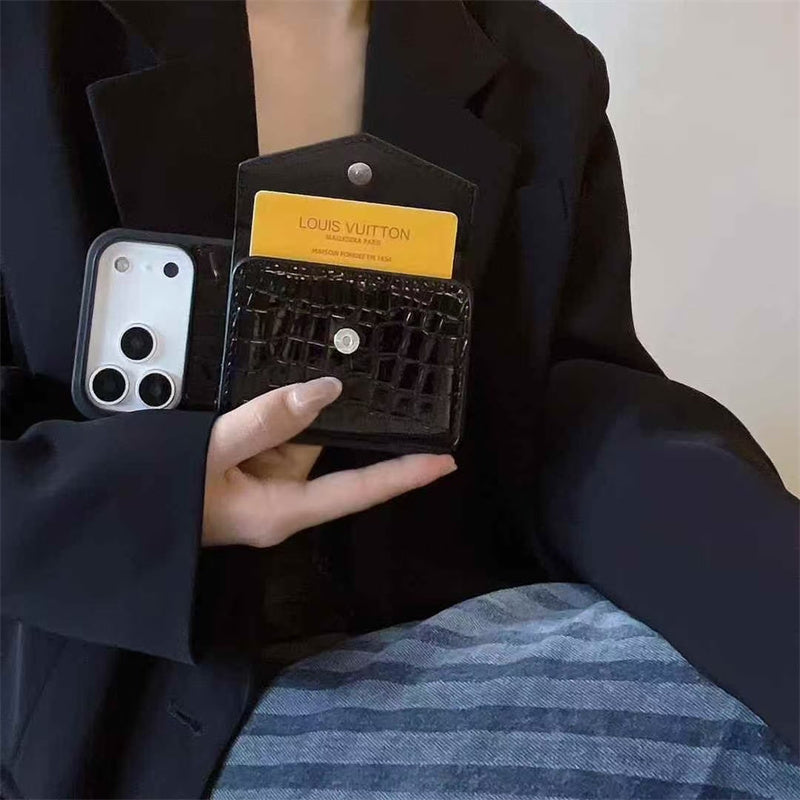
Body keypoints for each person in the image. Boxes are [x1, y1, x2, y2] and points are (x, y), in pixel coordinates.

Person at [1, 1, 797, 797]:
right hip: (137, 698)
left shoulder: (540, 66)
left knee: (743, 710)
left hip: (444, 622)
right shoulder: (31, 35)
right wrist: (168, 494)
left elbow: (567, 411)